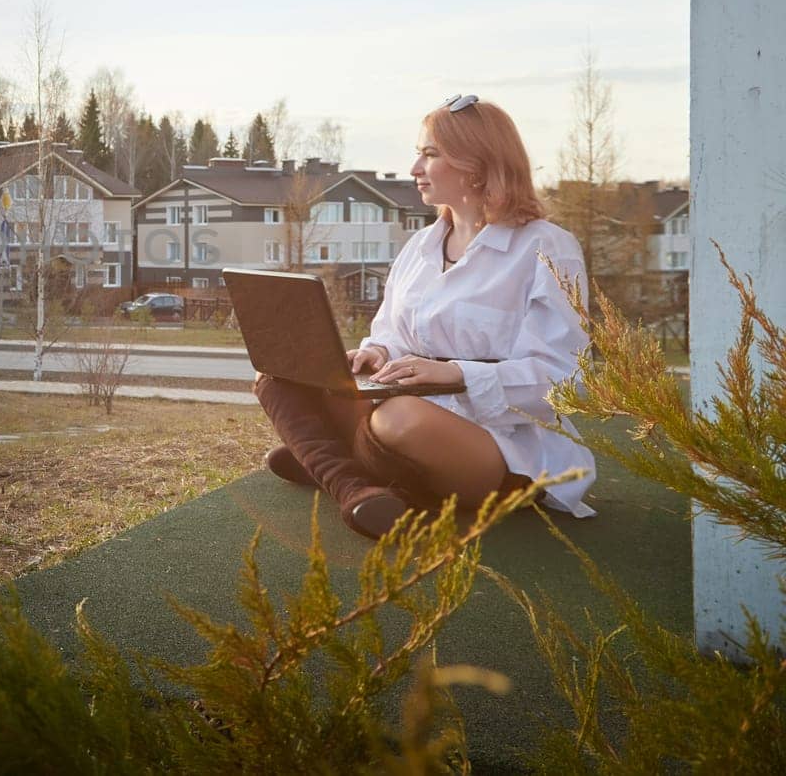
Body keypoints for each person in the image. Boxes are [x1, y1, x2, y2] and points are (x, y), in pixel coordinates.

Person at [253, 95, 595, 539]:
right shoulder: (419, 248)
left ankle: (329, 461)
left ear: (476, 164)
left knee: (398, 420)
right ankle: (354, 485)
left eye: (430, 154)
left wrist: (455, 374)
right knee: (278, 378)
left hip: (504, 444)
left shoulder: (547, 248)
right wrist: (375, 352)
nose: (415, 167)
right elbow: (392, 332)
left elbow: (564, 381)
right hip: (400, 410)